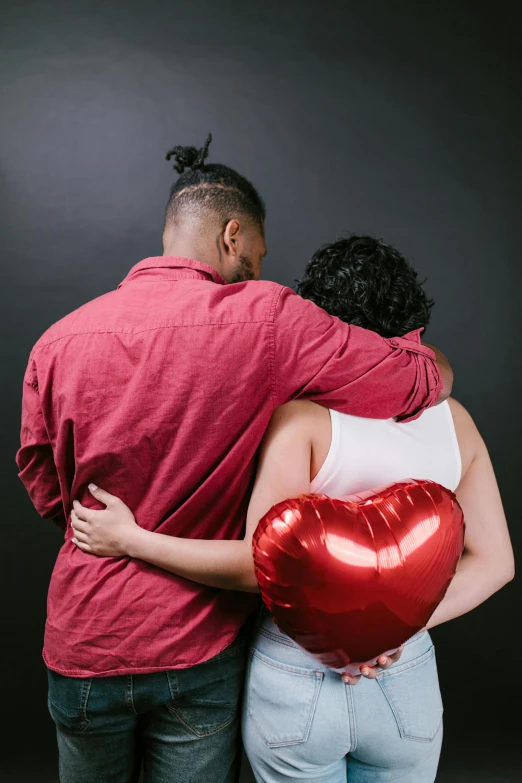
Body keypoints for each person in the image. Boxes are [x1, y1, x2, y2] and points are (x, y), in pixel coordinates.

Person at [17, 129, 449, 783]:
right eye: (258, 252)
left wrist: (114, 532)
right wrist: (431, 355)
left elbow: (45, 483)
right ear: (233, 235)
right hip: (197, 643)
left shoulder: (55, 342)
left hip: (84, 638)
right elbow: (412, 382)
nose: (259, 266)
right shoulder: (271, 319)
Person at [71, 235, 513, 783]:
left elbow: (258, 566)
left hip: (298, 676)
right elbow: (497, 562)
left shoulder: (301, 420)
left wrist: (133, 540)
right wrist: (392, 629)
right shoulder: (455, 420)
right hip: (404, 679)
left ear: (321, 322)